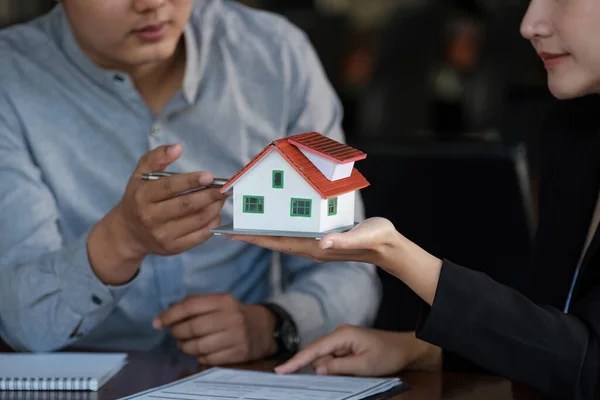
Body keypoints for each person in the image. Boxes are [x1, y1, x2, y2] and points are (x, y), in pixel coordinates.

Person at [227, 0, 600, 397]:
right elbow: (551, 338)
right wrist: (416, 349)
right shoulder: (577, 131)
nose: (529, 25)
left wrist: (396, 254)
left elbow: (589, 366)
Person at [0, 0, 381, 365]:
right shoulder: (10, 77)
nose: (151, 3)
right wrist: (123, 239)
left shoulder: (275, 53)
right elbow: (19, 320)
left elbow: (346, 260)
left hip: (252, 376)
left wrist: (272, 325)